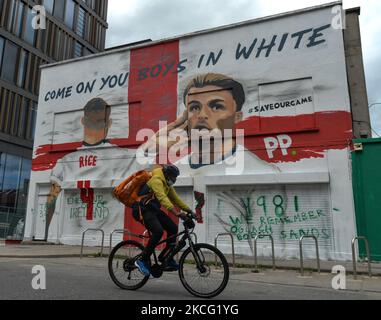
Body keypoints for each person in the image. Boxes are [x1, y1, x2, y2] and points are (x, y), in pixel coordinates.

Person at [139, 73, 279, 175]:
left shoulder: (259, 171)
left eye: (216, 106)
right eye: (194, 107)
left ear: (237, 116)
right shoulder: (176, 170)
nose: (202, 115)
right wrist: (150, 148)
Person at [45, 98, 140, 241]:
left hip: (85, 233)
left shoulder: (65, 161)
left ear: (83, 120)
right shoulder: (125, 156)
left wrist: (46, 235)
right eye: (93, 122)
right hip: (105, 234)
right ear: (109, 123)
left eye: (98, 123)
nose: (95, 128)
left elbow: (51, 198)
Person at [133, 164, 193, 277]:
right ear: (166, 174)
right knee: (158, 232)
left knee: (173, 228)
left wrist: (190, 211)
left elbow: (176, 199)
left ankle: (165, 257)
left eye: (176, 177)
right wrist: (176, 213)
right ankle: (142, 260)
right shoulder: (156, 180)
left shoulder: (167, 185)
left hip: (153, 209)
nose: (174, 179)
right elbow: (162, 198)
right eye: (173, 176)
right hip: (142, 209)